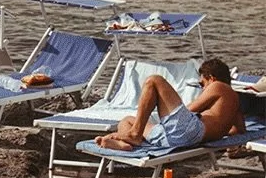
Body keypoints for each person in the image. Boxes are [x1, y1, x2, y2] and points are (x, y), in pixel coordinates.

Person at [95, 59, 244, 152]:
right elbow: (239, 130)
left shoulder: (218, 86)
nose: (203, 88)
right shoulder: (235, 100)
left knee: (154, 80)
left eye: (202, 84)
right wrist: (217, 131)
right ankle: (125, 145)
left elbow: (190, 109)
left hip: (189, 131)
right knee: (127, 120)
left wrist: (161, 104)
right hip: (179, 138)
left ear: (211, 78)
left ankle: (134, 136)